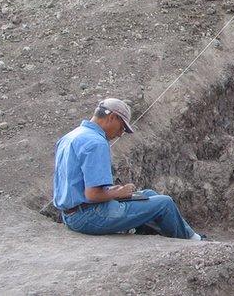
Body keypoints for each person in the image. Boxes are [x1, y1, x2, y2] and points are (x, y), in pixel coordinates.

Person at [51, 98, 202, 240]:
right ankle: (192, 243)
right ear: (113, 117)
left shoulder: (70, 136)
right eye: (122, 127)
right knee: (164, 203)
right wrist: (118, 192)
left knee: (149, 194)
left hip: (71, 214)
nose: (120, 134)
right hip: (88, 216)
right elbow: (92, 195)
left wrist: (113, 192)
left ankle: (187, 236)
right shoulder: (96, 143)